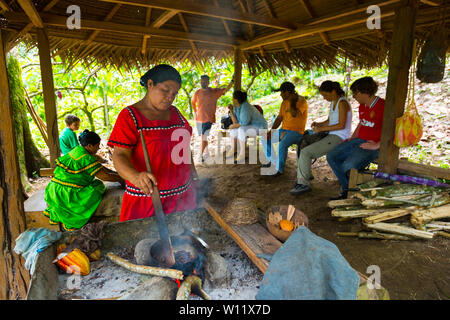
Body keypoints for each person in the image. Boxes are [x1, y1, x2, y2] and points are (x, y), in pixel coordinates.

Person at [108, 64, 199, 222]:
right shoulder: (130, 116)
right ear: (150, 84)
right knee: (144, 243)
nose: (170, 97)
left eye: (174, 93)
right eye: (165, 90)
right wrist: (136, 177)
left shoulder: (176, 113)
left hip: (182, 197)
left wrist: (194, 177)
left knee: (184, 241)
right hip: (148, 199)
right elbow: (119, 156)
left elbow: (184, 148)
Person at [44, 130, 124, 231]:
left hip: (54, 189)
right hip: (66, 193)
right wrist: (121, 178)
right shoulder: (85, 157)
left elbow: (101, 169)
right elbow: (104, 176)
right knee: (97, 187)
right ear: (90, 146)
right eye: (97, 146)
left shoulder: (78, 150)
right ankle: (76, 220)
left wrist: (119, 174)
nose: (98, 148)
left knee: (97, 184)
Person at [326, 76, 385, 199]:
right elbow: (361, 123)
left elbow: (393, 129)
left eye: (355, 93)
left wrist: (377, 145)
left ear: (364, 92)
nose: (354, 96)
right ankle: (350, 190)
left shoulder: (383, 106)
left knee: (348, 166)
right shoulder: (362, 106)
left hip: (374, 145)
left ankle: (350, 191)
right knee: (332, 156)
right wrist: (352, 138)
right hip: (359, 141)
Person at [290, 81, 352, 195]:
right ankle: (304, 176)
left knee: (306, 152)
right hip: (331, 134)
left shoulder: (342, 103)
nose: (324, 98)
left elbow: (341, 125)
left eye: (326, 95)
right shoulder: (334, 101)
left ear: (333, 91)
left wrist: (322, 129)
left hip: (339, 137)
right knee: (303, 143)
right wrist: (319, 124)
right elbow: (330, 121)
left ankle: (303, 183)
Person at [261, 81, 308, 176]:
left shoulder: (301, 101)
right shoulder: (284, 102)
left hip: (296, 132)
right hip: (284, 130)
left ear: (287, 92)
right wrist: (271, 131)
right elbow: (279, 118)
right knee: (265, 138)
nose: (280, 94)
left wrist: (292, 101)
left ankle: (279, 169)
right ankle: (274, 162)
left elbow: (294, 114)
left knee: (282, 144)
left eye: (282, 92)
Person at [192, 75, 233, 161]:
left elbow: (225, 90)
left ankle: (200, 155)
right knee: (204, 137)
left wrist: (232, 81)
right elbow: (193, 102)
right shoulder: (197, 92)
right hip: (199, 118)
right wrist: (195, 112)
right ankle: (206, 153)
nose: (203, 83)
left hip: (208, 118)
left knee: (204, 136)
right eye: (202, 81)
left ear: (208, 82)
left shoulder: (214, 91)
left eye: (205, 81)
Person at [226, 90, 268, 162]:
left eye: (233, 98)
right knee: (234, 130)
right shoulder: (237, 107)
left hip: (260, 126)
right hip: (250, 126)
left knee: (241, 130)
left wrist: (232, 126)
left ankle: (242, 154)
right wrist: (231, 111)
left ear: (237, 99)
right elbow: (235, 122)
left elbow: (244, 123)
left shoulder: (245, 107)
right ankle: (234, 149)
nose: (232, 100)